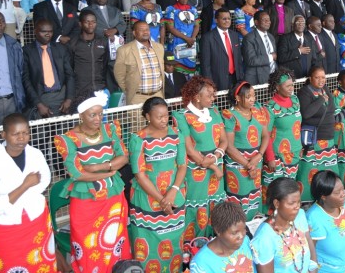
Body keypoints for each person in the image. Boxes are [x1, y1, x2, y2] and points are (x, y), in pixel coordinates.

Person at [53, 91, 132, 272]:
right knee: (88, 245)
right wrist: (108, 173)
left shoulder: (110, 130)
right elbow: (77, 174)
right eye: (92, 115)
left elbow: (124, 157)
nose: (98, 119)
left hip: (113, 197)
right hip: (86, 200)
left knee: (114, 240)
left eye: (100, 114)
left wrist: (98, 168)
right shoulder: (69, 139)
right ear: (81, 115)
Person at [0, 113, 57, 271]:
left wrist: (10, 197)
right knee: (9, 266)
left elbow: (45, 180)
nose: (22, 138)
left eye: (25, 133)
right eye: (15, 134)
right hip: (6, 229)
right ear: (4, 135)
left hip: (37, 221)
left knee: (40, 264)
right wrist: (24, 186)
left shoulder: (36, 154)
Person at [128, 97, 187, 270]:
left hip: (175, 195)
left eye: (166, 116)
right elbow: (140, 175)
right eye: (158, 117)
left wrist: (172, 192)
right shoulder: (138, 139)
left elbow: (182, 166)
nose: (164, 120)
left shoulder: (176, 134)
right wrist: (162, 199)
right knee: (148, 244)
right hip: (147, 198)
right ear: (147, 116)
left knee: (175, 241)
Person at [173, 76, 228, 239]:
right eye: (209, 95)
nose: (213, 98)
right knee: (197, 207)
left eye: (213, 94)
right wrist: (213, 165)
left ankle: (214, 239)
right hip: (197, 171)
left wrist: (216, 156)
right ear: (197, 97)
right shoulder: (181, 116)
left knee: (215, 205)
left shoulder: (215, 112)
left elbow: (224, 140)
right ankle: (194, 245)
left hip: (215, 164)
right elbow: (189, 149)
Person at [222, 81, 270, 220]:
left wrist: (258, 156)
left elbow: (266, 135)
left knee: (254, 195)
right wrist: (248, 164)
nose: (252, 99)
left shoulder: (258, 111)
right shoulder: (229, 115)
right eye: (248, 96)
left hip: (256, 161)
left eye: (253, 96)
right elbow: (229, 146)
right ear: (237, 98)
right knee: (239, 198)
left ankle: (254, 226)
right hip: (238, 165)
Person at [250, 177, 317, 272]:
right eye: (292, 203)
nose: (297, 207)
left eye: (299, 202)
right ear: (277, 203)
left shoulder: (300, 215)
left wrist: (313, 269)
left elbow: (309, 243)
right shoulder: (264, 238)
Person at [297, 66, 337, 201]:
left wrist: (323, 100)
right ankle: (307, 200)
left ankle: (326, 197)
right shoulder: (304, 92)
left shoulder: (324, 89)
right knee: (311, 172)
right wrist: (320, 100)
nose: (321, 80)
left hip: (328, 139)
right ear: (310, 78)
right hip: (315, 139)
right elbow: (306, 114)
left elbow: (332, 108)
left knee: (327, 171)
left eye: (323, 77)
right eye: (317, 77)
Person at [306, 170, 345, 273]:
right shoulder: (314, 218)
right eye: (337, 192)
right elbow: (310, 256)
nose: (342, 194)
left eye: (342, 189)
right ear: (323, 197)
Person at [262, 69, 302, 200]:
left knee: (290, 189)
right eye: (288, 86)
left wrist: (300, 146)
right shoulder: (270, 107)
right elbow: (266, 134)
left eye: (292, 85)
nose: (292, 88)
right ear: (277, 87)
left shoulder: (295, 100)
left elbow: (297, 125)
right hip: (278, 156)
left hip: (294, 153)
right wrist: (270, 158)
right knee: (277, 191)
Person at [22, 19, 75, 119]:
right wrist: (38, 104)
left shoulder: (61, 49)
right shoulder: (27, 51)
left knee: (64, 132)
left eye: (50, 31)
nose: (48, 34)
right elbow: (26, 80)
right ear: (35, 32)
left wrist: (69, 99)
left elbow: (70, 75)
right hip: (41, 97)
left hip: (61, 97)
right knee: (42, 133)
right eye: (43, 31)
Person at [190, 202, 255, 272]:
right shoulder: (201, 263)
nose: (242, 236)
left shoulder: (245, 241)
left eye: (244, 229)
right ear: (218, 231)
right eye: (234, 233)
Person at [114, 21, 165, 105]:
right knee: (137, 118)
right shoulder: (124, 50)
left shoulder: (159, 47)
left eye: (147, 29)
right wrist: (129, 91)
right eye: (141, 30)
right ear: (134, 33)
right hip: (137, 98)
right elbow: (119, 74)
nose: (145, 32)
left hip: (158, 95)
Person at [68, 9, 110, 100]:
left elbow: (105, 64)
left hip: (100, 90)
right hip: (80, 92)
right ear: (80, 24)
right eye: (87, 22)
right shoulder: (73, 43)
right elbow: (69, 67)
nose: (91, 25)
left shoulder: (103, 41)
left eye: (93, 22)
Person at [200, 8, 244, 91]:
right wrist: (209, 84)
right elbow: (205, 65)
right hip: (218, 80)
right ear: (216, 20)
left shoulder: (234, 35)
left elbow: (238, 59)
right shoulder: (208, 37)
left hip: (236, 78)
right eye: (224, 19)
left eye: (229, 18)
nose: (227, 21)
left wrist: (240, 77)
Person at [164, 0, 199, 77]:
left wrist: (192, 38)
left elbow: (197, 26)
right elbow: (170, 28)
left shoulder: (193, 9)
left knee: (190, 70)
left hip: (190, 43)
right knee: (176, 71)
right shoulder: (171, 9)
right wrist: (186, 38)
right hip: (177, 43)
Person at [242, 10, 277, 85]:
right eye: (265, 20)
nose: (268, 22)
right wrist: (271, 57)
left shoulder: (271, 37)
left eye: (269, 20)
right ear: (256, 22)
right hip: (257, 78)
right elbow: (251, 60)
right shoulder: (249, 38)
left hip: (273, 76)